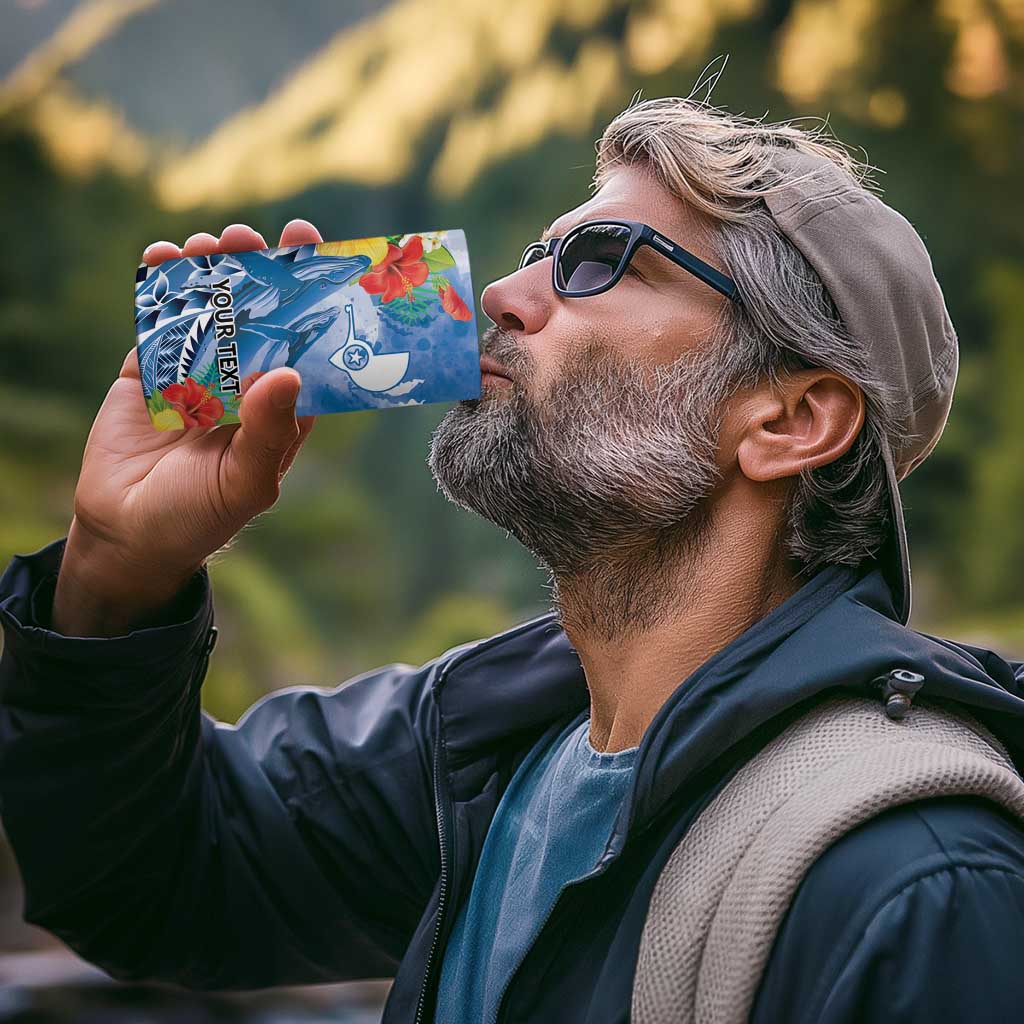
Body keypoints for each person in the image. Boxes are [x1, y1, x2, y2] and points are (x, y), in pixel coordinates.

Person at [2, 95, 1024, 1024]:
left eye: (599, 261)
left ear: (791, 419)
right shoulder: (479, 749)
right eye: (540, 252)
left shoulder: (918, 884)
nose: (501, 291)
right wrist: (116, 570)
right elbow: (149, 880)